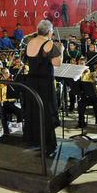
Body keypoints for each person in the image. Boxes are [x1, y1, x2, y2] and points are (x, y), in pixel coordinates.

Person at [24, 20, 62, 155]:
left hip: (31, 82)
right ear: (49, 32)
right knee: (47, 111)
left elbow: (27, 60)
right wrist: (61, 50)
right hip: (44, 83)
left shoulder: (30, 42)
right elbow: (57, 63)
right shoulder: (49, 44)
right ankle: (48, 144)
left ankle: (35, 141)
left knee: (34, 110)